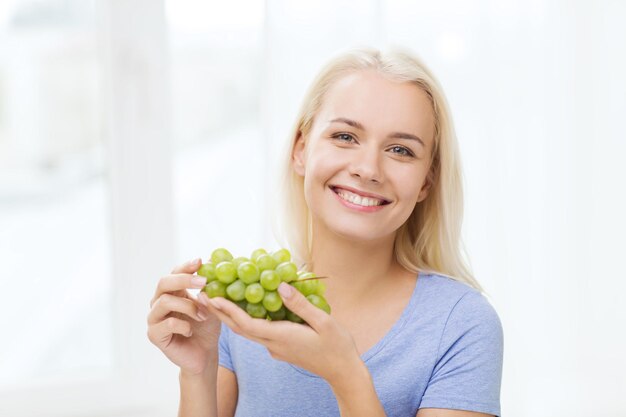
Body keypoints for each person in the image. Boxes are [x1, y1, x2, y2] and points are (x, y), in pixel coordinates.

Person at [147, 47, 504, 417]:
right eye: (346, 137)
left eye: (400, 150)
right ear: (301, 150)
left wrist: (345, 374)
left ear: (426, 181)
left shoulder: (462, 325)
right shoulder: (243, 308)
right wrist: (197, 373)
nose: (368, 169)